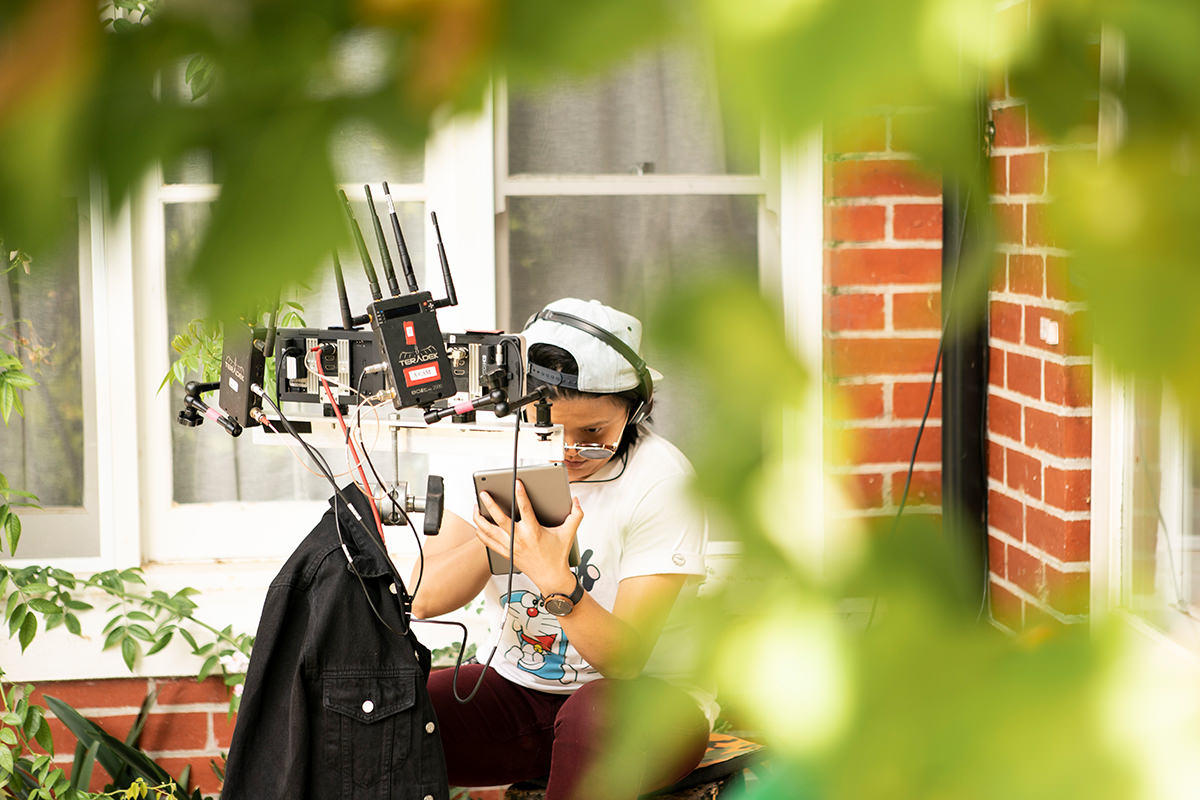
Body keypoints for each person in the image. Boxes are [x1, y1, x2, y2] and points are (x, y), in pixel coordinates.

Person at [411, 298, 715, 800]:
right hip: (522, 694)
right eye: (549, 427)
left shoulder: (661, 478)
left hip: (645, 706)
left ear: (634, 410)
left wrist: (553, 577)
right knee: (398, 709)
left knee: (591, 715)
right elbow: (425, 598)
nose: (570, 450)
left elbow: (624, 661)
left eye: (593, 433)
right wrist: (501, 536)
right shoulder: (494, 450)